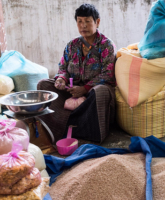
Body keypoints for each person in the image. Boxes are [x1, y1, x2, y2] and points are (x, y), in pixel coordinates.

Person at [37, 3, 116, 143]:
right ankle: (60, 126)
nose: (83, 25)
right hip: (72, 91)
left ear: (97, 22)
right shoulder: (72, 45)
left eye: (87, 21)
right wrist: (61, 79)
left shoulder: (106, 45)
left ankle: (80, 129)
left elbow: (108, 74)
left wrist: (84, 89)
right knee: (43, 84)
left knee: (100, 92)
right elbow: (63, 67)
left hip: (93, 93)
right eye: (79, 21)